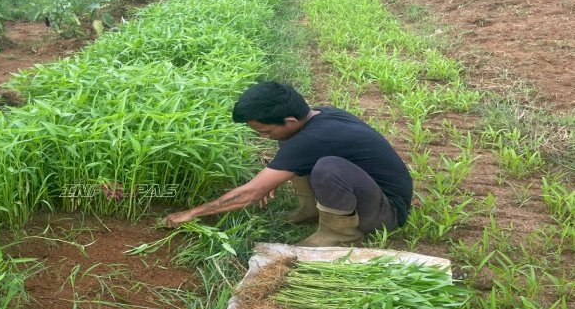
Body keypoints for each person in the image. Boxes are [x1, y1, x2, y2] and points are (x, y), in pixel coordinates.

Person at [163, 82, 413, 247]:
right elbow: (293, 153)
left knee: (328, 167)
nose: (263, 137)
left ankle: (338, 232)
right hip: (369, 191)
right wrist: (272, 177)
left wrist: (193, 213)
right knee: (292, 146)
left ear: (290, 118)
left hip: (386, 212)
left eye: (265, 130)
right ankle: (309, 211)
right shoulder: (319, 116)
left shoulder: (313, 138)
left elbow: (250, 194)